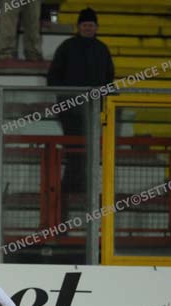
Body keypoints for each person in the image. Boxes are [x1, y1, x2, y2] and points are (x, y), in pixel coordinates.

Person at [46, 7, 114, 211]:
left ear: (96, 28)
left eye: (91, 25)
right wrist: (66, 99)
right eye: (85, 25)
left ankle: (77, 187)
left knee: (88, 150)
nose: (88, 28)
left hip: (93, 110)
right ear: (79, 27)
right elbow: (53, 77)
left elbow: (109, 79)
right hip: (71, 111)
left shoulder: (102, 49)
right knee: (75, 149)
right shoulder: (67, 47)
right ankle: (72, 188)